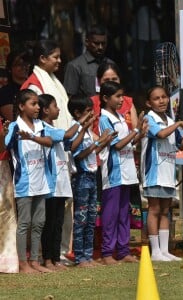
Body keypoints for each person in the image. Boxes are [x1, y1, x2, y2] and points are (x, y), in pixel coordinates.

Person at [21, 39, 73, 261]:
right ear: (42, 59)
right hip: (44, 154)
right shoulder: (35, 84)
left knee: (61, 209)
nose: (60, 61)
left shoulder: (52, 80)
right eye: (55, 57)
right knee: (46, 212)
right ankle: (45, 256)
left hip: (60, 151)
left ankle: (59, 252)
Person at [140, 85, 183, 262]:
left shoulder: (169, 119)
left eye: (164, 97)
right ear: (149, 103)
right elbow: (160, 134)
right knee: (154, 209)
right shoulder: (149, 119)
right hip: (154, 172)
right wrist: (181, 123)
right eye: (157, 98)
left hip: (168, 172)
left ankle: (165, 250)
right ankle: (155, 251)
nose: (162, 101)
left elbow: (180, 145)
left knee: (166, 210)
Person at [0, 89, 55, 273]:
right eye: (33, 104)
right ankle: (23, 263)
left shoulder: (41, 125)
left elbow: (49, 141)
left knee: (39, 222)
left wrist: (31, 136)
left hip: (42, 181)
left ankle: (35, 260)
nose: (38, 107)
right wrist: (4, 133)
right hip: (24, 182)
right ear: (22, 106)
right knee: (24, 223)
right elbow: (4, 146)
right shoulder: (15, 126)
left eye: (38, 103)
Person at [38, 94, 93, 270]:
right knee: (50, 222)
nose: (58, 109)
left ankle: (56, 259)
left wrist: (83, 129)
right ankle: (47, 259)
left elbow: (71, 145)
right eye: (55, 106)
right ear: (45, 110)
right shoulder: (44, 128)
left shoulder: (55, 129)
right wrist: (81, 120)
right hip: (51, 184)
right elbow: (69, 133)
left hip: (62, 182)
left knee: (59, 222)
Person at [99, 81, 147, 265]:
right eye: (117, 96)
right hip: (113, 174)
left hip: (127, 171)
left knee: (123, 213)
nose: (121, 100)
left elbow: (128, 143)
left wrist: (140, 133)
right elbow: (117, 145)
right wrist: (135, 130)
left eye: (122, 96)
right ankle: (107, 253)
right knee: (110, 215)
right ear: (105, 98)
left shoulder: (119, 117)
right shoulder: (104, 119)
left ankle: (123, 250)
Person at [68, 96, 112, 267]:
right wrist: (96, 144)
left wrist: (104, 142)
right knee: (81, 219)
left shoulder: (87, 130)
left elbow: (93, 151)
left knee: (91, 217)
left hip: (93, 175)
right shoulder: (75, 129)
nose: (92, 114)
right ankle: (80, 257)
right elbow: (77, 155)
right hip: (81, 178)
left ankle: (88, 255)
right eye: (88, 112)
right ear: (78, 113)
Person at [63, 24, 109, 98]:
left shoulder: (110, 64)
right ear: (87, 42)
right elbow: (69, 97)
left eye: (103, 43)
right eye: (96, 43)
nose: (100, 47)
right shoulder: (75, 66)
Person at [0, 119, 18, 273]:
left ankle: (6, 262)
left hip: (2, 166)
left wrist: (3, 134)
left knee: (6, 214)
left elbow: (2, 148)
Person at [0, 49, 30, 121]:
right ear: (10, 68)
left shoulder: (33, 87)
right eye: (19, 64)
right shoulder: (5, 92)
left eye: (26, 63)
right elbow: (15, 119)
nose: (24, 67)